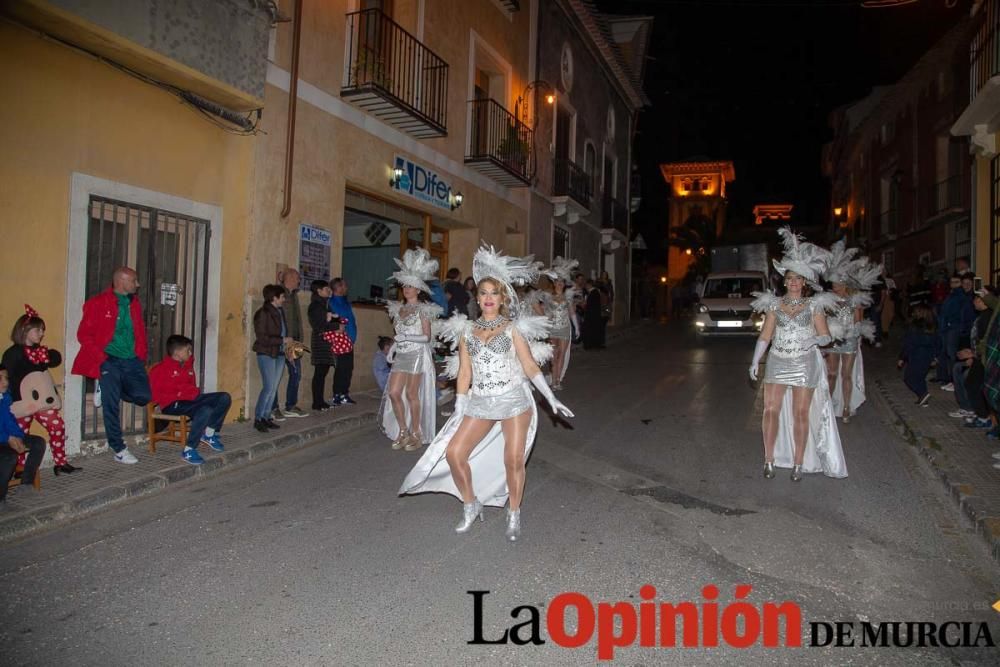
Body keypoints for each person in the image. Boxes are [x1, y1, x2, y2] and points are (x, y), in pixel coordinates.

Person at [400, 246, 573, 541]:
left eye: (494, 293)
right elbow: (465, 373)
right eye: (483, 293)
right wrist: (460, 405)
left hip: (513, 401)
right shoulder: (467, 331)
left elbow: (530, 366)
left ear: (502, 297)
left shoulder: (511, 328)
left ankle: (514, 512)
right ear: (478, 298)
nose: (489, 298)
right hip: (480, 401)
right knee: (455, 453)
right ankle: (471, 503)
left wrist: (550, 396)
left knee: (513, 460)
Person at [749, 228, 846, 481]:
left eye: (798, 278)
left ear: (805, 282)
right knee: (770, 409)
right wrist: (755, 360)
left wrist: (813, 340)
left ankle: (798, 463)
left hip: (804, 364)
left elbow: (826, 336)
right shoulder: (774, 304)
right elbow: (766, 335)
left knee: (800, 413)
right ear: (785, 280)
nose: (794, 282)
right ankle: (769, 460)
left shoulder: (814, 305)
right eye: (790, 277)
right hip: (778, 360)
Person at [71, 266, 151, 464]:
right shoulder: (97, 303)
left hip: (132, 360)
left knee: (144, 396)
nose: (138, 284)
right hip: (110, 359)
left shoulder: (135, 303)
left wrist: (141, 355)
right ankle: (119, 448)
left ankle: (106, 387)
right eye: (134, 280)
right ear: (122, 282)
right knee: (111, 405)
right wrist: (101, 359)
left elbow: (139, 331)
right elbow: (84, 335)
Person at [3, 305, 79, 476]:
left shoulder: (40, 351)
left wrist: (47, 355)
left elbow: (56, 359)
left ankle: (60, 462)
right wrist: (11, 401)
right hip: (22, 403)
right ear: (24, 330)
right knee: (21, 433)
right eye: (38, 330)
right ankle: (20, 468)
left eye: (42, 330)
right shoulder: (13, 353)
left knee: (57, 425)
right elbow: (7, 378)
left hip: (42, 401)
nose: (41, 333)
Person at [380, 248, 443, 451]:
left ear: (418, 289)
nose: (407, 289)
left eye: (411, 286)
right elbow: (399, 334)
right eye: (405, 285)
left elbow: (426, 336)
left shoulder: (423, 309)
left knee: (411, 394)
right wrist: (393, 348)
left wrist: (406, 337)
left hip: (417, 354)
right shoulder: (398, 309)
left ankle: (416, 433)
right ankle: (403, 430)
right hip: (403, 355)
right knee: (394, 393)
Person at [149, 335, 231, 465]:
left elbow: (192, 387)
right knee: (205, 410)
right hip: (172, 404)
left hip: (191, 399)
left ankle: (208, 434)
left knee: (224, 398)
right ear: (177, 353)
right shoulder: (160, 370)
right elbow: (154, 394)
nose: (190, 353)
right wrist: (180, 394)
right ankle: (188, 450)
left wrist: (189, 392)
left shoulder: (187, 366)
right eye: (187, 350)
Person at [822, 242, 878, 423]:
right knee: (831, 374)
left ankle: (846, 407)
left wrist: (851, 334)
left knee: (846, 374)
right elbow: (825, 319)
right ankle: (828, 406)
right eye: (833, 284)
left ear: (844, 284)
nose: (834, 287)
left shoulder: (855, 300)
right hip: (833, 341)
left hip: (849, 340)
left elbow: (858, 321)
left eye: (837, 284)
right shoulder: (830, 299)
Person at [950, 289, 997, 428]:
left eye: (977, 299)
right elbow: (976, 340)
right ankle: (973, 411)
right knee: (960, 371)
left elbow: (987, 342)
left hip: (985, 359)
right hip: (979, 357)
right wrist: (970, 352)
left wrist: (973, 355)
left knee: (972, 382)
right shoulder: (982, 316)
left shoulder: (988, 317)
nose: (974, 302)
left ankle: (983, 416)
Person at [0, 365, 46, 504]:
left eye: (6, 378)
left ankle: (26, 484)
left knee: (38, 443)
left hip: (8, 437)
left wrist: (18, 436)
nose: (5, 382)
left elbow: (9, 421)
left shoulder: (5, 396)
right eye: (0, 379)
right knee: (10, 457)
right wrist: (8, 438)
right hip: (3, 439)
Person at [253, 284, 291, 433]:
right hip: (266, 353)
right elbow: (262, 337)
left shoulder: (279, 312)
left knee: (274, 388)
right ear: (274, 298)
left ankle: (267, 416)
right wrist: (282, 340)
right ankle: (259, 418)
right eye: (282, 297)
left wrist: (286, 346)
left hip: (279, 353)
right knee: (268, 387)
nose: (284, 300)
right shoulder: (262, 313)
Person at [272, 269, 308, 420]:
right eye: (297, 278)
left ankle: (290, 406)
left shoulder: (293, 295)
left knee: (296, 374)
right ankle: (273, 408)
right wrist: (285, 339)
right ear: (290, 278)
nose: (299, 281)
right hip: (283, 342)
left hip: (294, 342)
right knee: (275, 376)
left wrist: (299, 339)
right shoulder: (280, 294)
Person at [540, 257, 580, 390]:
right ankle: (552, 379)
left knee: (562, 354)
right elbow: (543, 311)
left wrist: (577, 327)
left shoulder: (568, 296)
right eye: (557, 281)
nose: (560, 284)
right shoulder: (548, 296)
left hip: (564, 329)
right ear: (554, 283)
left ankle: (557, 381)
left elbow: (572, 312)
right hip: (552, 329)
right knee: (554, 355)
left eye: (562, 282)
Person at [936, 274, 975, 390]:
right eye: (952, 282)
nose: (954, 284)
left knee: (953, 353)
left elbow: (962, 314)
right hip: (951, 327)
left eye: (957, 282)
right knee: (949, 353)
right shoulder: (954, 294)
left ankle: (955, 380)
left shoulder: (964, 296)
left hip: (958, 328)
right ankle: (951, 379)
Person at [898, 304, 940, 406]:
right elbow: (937, 342)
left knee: (909, 378)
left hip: (917, 354)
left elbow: (909, 343)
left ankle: (922, 393)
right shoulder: (932, 326)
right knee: (920, 377)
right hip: (928, 354)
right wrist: (935, 356)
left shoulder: (914, 326)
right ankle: (923, 399)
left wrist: (902, 357)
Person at [308, 280, 337, 411]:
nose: (329, 291)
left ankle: (320, 401)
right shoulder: (315, 306)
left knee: (323, 371)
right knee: (320, 372)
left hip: (326, 341)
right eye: (326, 289)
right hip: (320, 341)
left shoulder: (324, 304)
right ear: (319, 291)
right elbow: (321, 324)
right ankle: (317, 402)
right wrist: (337, 325)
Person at [328, 278, 357, 406]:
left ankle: (345, 393)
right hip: (339, 341)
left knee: (348, 368)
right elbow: (332, 321)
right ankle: (337, 395)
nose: (346, 288)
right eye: (344, 286)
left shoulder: (346, 303)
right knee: (340, 368)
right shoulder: (331, 302)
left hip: (349, 340)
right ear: (338, 288)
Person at [583, 279, 605, 349]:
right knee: (594, 330)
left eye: (586, 285)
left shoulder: (593, 293)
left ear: (589, 285)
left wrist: (584, 304)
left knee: (591, 330)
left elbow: (590, 305)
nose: (585, 286)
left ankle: (591, 345)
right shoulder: (593, 292)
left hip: (592, 315)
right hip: (594, 315)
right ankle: (593, 344)